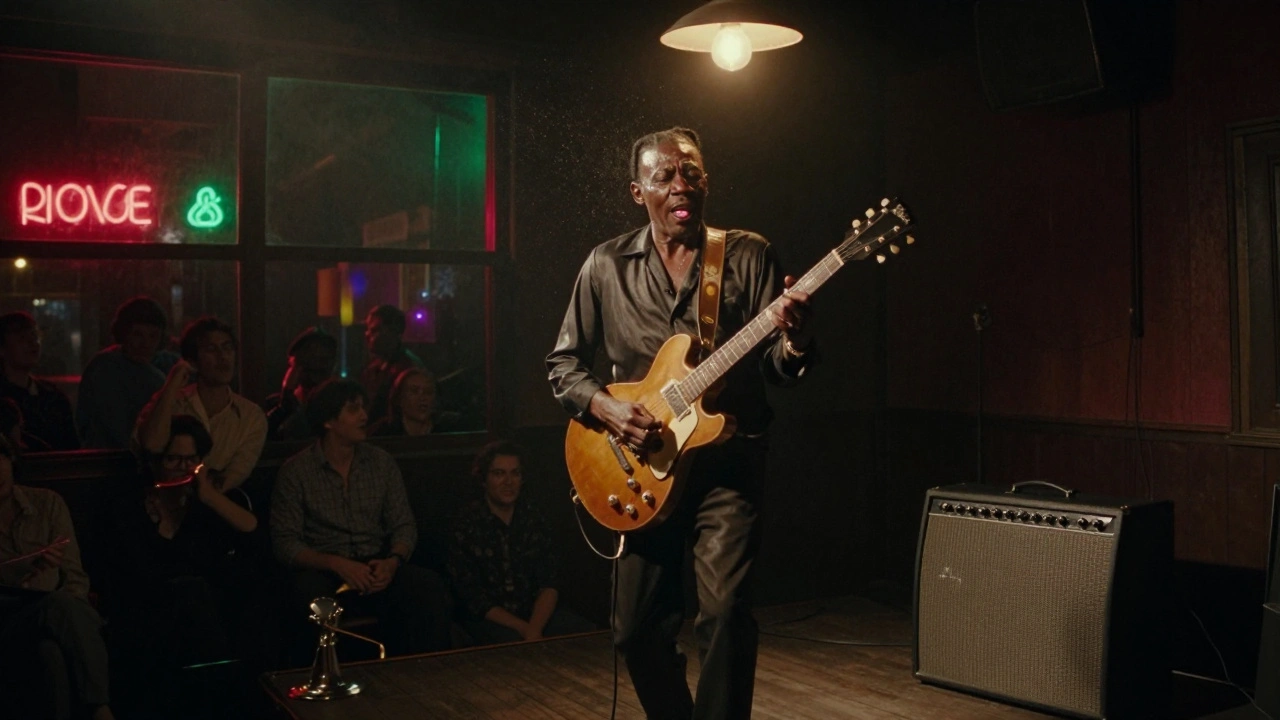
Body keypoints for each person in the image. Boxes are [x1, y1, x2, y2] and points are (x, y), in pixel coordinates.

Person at [546, 127, 816, 720]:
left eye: (689, 173)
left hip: (727, 464)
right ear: (638, 190)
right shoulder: (605, 265)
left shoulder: (746, 255)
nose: (678, 186)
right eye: (663, 176)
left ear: (705, 182)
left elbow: (778, 368)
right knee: (633, 630)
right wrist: (610, 409)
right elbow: (563, 365)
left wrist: (793, 341)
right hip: (639, 466)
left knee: (723, 615)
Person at [270, 378, 452, 656]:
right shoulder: (297, 472)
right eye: (354, 410)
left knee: (427, 587)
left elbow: (403, 525)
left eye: (364, 408)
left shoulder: (380, 462)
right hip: (325, 569)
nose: (365, 416)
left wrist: (393, 561)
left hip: (376, 563)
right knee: (307, 597)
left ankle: (425, 677)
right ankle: (324, 681)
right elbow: (286, 544)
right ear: (329, 421)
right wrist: (336, 564)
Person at [105, 415, 265, 715]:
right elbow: (129, 574)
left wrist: (210, 496)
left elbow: (252, 530)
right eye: (174, 459)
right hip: (147, 612)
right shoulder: (129, 506)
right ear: (154, 461)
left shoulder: (205, 504)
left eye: (191, 458)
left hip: (205, 617)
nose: (183, 467)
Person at [0, 437, 114, 720]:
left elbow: (74, 576)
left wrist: (72, 618)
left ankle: (98, 707)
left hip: (55, 616)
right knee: (57, 607)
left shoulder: (47, 503)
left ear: (10, 460)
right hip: (7, 622)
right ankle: (102, 712)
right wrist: (22, 571)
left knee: (51, 652)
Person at [448, 440, 594, 645]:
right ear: (484, 479)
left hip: (537, 615)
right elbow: (472, 597)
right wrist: (525, 630)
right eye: (499, 473)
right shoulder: (467, 524)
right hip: (491, 620)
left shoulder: (534, 518)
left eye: (515, 473)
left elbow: (550, 582)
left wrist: (534, 628)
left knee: (586, 635)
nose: (508, 482)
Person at [135, 316, 267, 491]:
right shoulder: (171, 402)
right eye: (211, 349)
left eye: (227, 348)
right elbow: (151, 444)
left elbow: (233, 476)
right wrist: (171, 385)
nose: (222, 357)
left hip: (214, 508)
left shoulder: (251, 416)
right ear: (193, 360)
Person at [76, 297, 169, 449]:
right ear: (123, 333)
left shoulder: (166, 364)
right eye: (137, 334)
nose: (145, 344)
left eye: (153, 336)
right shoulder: (105, 368)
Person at [0, 311, 79, 451]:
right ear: (2, 349)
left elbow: (71, 450)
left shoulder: (54, 397)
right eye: (22, 338)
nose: (33, 343)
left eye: (35, 336)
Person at [263, 327, 338, 441]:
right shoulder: (274, 404)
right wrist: (285, 404)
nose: (317, 366)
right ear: (295, 365)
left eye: (324, 359)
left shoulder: (340, 405)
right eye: (311, 358)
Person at [360, 305, 425, 423]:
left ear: (393, 331)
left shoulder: (409, 368)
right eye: (368, 329)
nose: (367, 334)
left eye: (374, 330)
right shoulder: (373, 367)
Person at [369, 367, 460, 437]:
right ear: (399, 398)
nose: (422, 397)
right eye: (414, 391)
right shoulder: (383, 432)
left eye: (428, 392)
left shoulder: (450, 429)